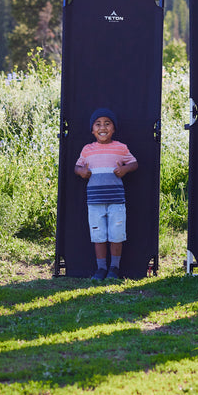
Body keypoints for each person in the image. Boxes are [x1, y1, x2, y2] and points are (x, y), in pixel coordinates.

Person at [75, 107, 138, 281]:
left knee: (117, 234)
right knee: (99, 236)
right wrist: (82, 172)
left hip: (116, 201)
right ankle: (101, 269)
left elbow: (134, 163)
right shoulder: (87, 149)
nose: (103, 127)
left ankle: (114, 268)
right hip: (95, 202)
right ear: (92, 129)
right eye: (98, 124)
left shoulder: (120, 148)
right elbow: (77, 167)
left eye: (107, 124)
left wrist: (124, 169)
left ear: (114, 128)